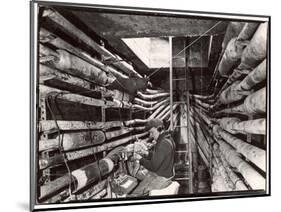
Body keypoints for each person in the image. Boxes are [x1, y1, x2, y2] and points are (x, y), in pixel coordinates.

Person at [130, 118, 175, 196]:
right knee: (141, 180)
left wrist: (140, 159)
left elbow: (153, 166)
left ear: (158, 129)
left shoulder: (163, 143)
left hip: (161, 177)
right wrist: (147, 153)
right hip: (163, 174)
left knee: (134, 195)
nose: (151, 135)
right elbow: (159, 156)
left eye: (152, 132)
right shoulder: (168, 139)